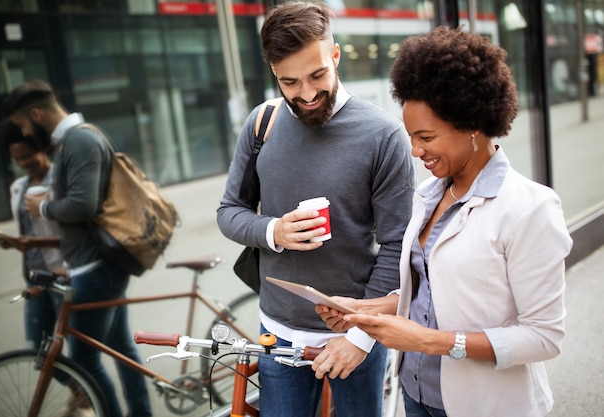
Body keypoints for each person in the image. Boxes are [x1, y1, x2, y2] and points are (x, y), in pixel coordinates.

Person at [317, 26, 573, 417]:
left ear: (471, 124)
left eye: (426, 137)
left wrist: (434, 342)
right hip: (418, 395)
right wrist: (364, 309)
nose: (416, 151)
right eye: (411, 137)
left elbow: (544, 337)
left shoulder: (530, 208)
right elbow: (426, 295)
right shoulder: (429, 195)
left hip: (485, 405)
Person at [216, 2, 416, 416]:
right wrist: (275, 232)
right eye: (290, 82)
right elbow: (229, 211)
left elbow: (398, 245)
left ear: (336, 55)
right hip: (277, 332)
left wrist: (360, 338)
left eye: (318, 75)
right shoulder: (262, 124)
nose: (306, 94)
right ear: (274, 72)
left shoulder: (383, 135)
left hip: (355, 331)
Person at [2, 80, 152, 417]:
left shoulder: (79, 140)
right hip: (95, 265)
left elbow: (83, 206)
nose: (25, 131)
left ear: (37, 114)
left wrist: (41, 208)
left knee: (84, 361)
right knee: (120, 347)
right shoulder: (72, 141)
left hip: (94, 268)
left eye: (24, 124)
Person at [0, 119, 64, 350]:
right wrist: (14, 242)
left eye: (28, 155)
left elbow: (75, 236)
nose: (24, 163)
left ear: (43, 149)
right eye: (17, 159)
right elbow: (28, 230)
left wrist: (33, 241)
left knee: (76, 350)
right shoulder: (18, 187)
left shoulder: (62, 182)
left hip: (63, 275)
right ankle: (78, 387)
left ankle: (84, 387)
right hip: (34, 277)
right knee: (37, 348)